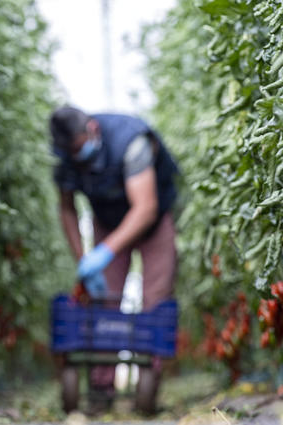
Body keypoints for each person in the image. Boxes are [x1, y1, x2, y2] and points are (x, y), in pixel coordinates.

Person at [49, 105, 179, 411]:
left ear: (92, 129)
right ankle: (101, 390)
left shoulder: (132, 142)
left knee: (155, 300)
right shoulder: (66, 157)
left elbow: (145, 208)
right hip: (106, 221)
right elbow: (67, 208)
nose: (76, 155)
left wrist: (105, 252)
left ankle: (149, 387)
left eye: (80, 148)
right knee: (104, 303)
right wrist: (84, 259)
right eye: (71, 151)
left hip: (154, 222)